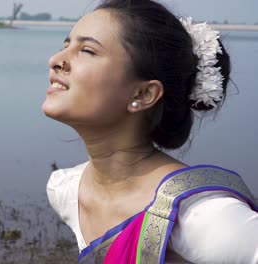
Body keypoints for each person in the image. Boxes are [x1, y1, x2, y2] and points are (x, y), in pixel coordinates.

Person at [42, 0, 258, 263]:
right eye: (66, 46)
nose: (55, 61)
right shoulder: (67, 191)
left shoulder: (201, 215)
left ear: (143, 94)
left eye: (87, 50)